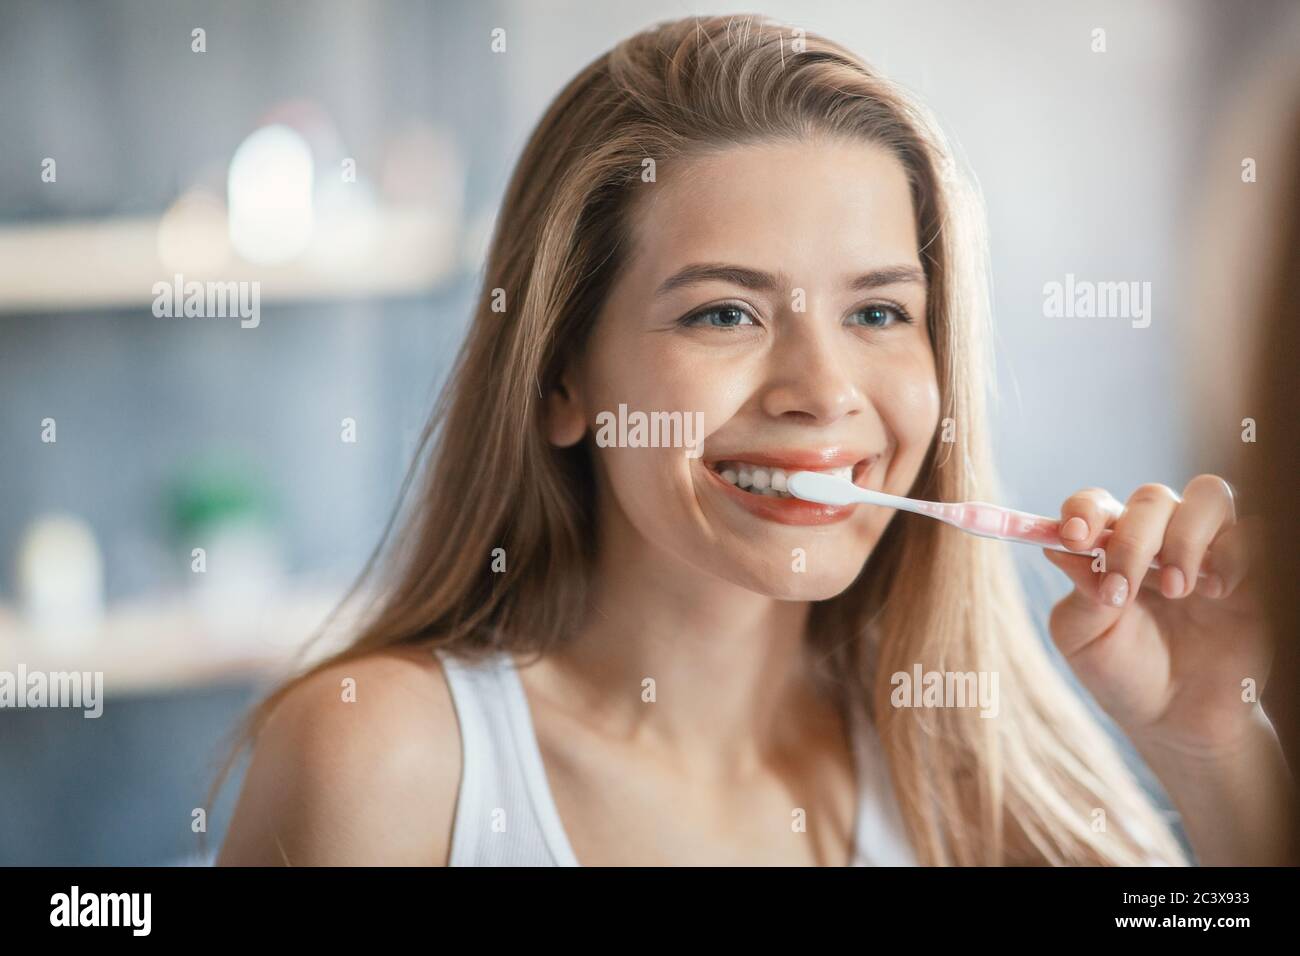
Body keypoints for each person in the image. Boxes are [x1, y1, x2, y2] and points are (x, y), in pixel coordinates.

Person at [215, 14, 1291, 866]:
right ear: (559, 379)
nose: (822, 393)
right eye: (723, 312)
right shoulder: (386, 761)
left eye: (877, 312)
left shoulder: (974, 778)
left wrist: (1212, 746)